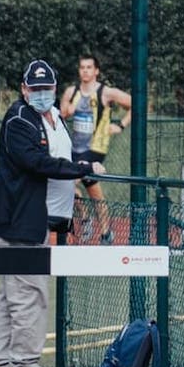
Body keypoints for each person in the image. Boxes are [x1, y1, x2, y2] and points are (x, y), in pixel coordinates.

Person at [0, 59, 105, 367]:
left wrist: (76, 172)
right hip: (18, 223)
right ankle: (22, 365)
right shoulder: (19, 118)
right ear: (24, 89)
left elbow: (58, 159)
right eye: (34, 88)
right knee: (28, 295)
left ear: (54, 88)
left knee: (13, 297)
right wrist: (81, 170)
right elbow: (36, 163)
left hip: (31, 220)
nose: (40, 93)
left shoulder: (52, 117)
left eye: (46, 88)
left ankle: (3, 366)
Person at [58, 54, 131, 244]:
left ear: (96, 71)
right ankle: (102, 229)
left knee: (70, 182)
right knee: (93, 191)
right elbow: (61, 115)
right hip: (74, 148)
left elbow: (135, 104)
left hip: (95, 148)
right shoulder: (71, 92)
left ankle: (88, 221)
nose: (85, 71)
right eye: (82, 67)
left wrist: (120, 125)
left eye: (89, 67)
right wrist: (68, 111)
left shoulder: (106, 93)